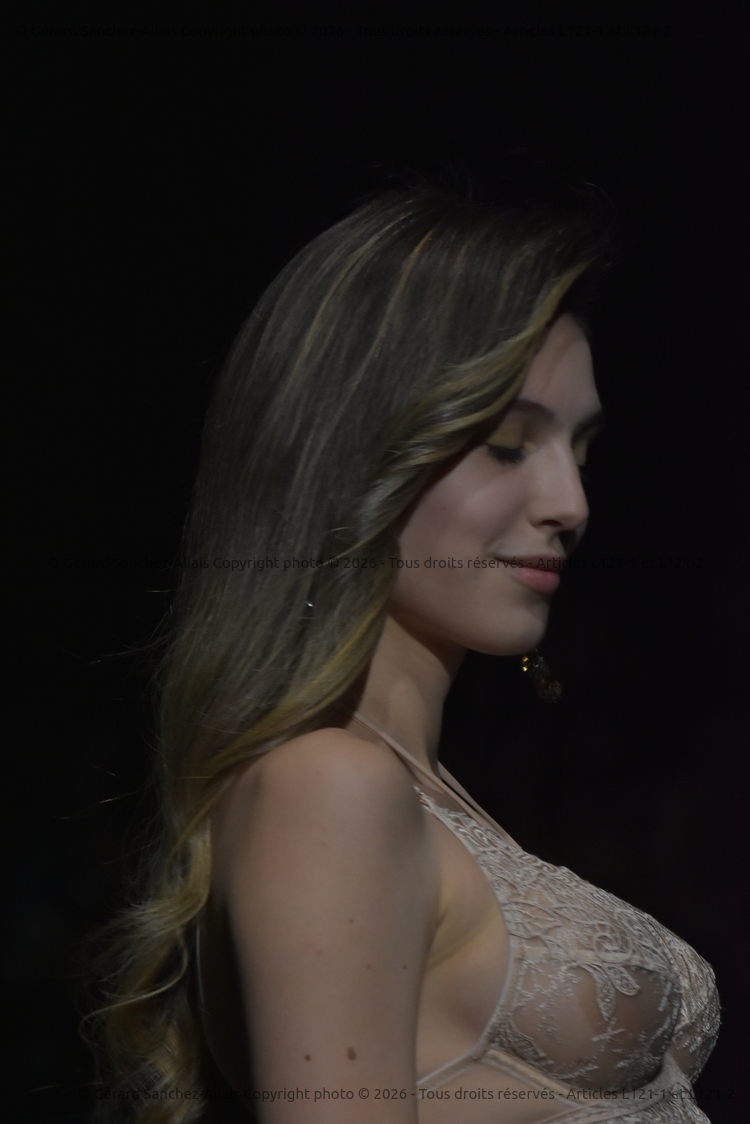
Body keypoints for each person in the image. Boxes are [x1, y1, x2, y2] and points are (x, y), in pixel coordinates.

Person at [85, 183, 720, 1123]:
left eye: (581, 450)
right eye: (508, 444)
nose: (571, 504)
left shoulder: (416, 785)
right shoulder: (328, 785)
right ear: (354, 457)